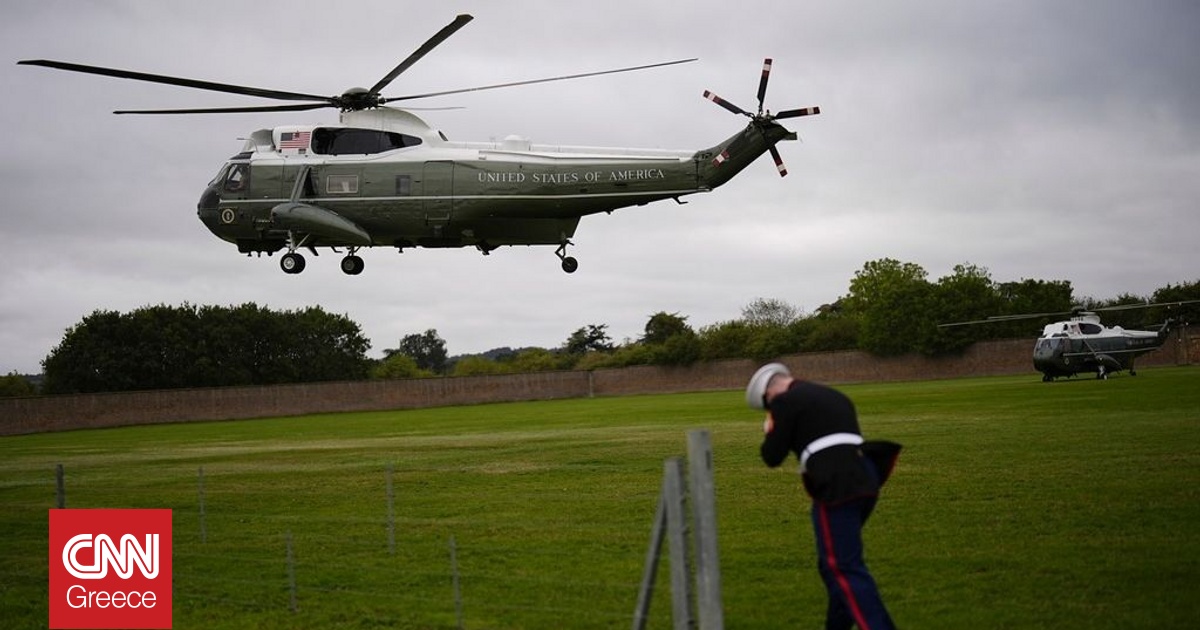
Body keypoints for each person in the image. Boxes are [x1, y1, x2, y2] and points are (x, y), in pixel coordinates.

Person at [746, 362, 902, 630]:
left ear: (769, 393)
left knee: (842, 566)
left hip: (836, 484)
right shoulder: (833, 395)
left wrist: (771, 429)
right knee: (833, 563)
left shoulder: (784, 402)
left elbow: (772, 456)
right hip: (867, 475)